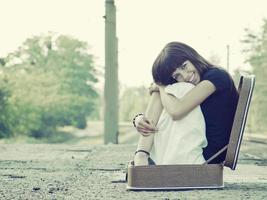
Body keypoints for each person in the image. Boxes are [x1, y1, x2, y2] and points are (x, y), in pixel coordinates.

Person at [133, 41, 239, 166]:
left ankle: (141, 156)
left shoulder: (216, 76)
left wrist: (160, 86)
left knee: (168, 91)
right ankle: (141, 154)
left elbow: (176, 111)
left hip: (207, 155)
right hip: (196, 148)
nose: (185, 76)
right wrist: (138, 118)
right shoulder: (195, 83)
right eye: (177, 75)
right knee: (165, 93)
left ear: (192, 56)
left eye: (184, 66)